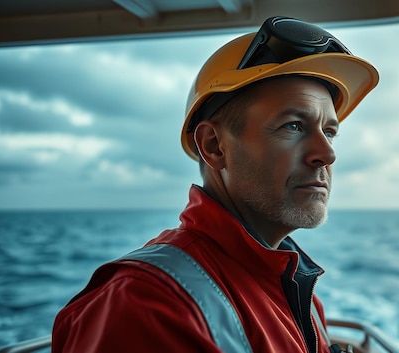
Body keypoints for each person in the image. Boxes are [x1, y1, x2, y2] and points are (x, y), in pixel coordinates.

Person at [52, 16, 379, 353]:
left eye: (329, 131)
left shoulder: (294, 285)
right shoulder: (146, 303)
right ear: (214, 146)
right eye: (293, 126)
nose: (326, 154)